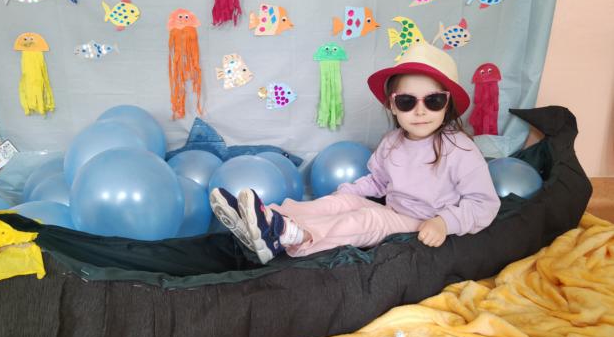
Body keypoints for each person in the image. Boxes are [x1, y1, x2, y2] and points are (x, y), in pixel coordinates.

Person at [210, 42, 501, 264]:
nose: (420, 111)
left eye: (433, 101)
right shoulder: (392, 142)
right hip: (394, 210)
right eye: (407, 101)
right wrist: (344, 196)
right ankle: (266, 217)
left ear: (447, 105)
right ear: (392, 105)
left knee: (368, 220)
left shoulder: (460, 149)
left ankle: (295, 236)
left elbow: (484, 204)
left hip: (422, 223)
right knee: (344, 202)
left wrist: (444, 223)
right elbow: (377, 181)